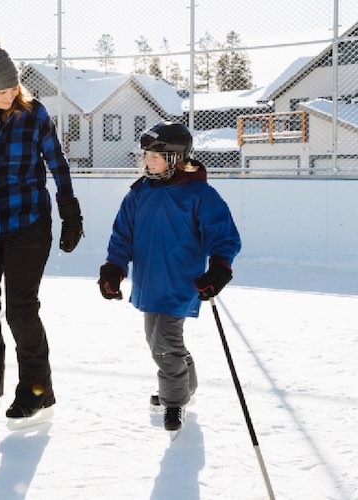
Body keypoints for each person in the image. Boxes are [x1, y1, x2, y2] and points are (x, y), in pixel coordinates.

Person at [0, 34, 83, 420]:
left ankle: (36, 390)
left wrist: (70, 211)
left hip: (28, 222)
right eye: (1, 90)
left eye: (13, 87)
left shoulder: (34, 113)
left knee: (21, 310)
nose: (9, 95)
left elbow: (57, 164)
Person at [98, 121, 241, 431]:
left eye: (155, 157)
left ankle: (174, 403)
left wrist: (219, 268)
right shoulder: (139, 193)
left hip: (181, 281)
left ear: (176, 158)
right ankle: (185, 386)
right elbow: (122, 235)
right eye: (146, 156)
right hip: (150, 280)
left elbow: (224, 236)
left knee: (165, 342)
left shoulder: (199, 194)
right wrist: (114, 267)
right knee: (157, 341)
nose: (148, 162)